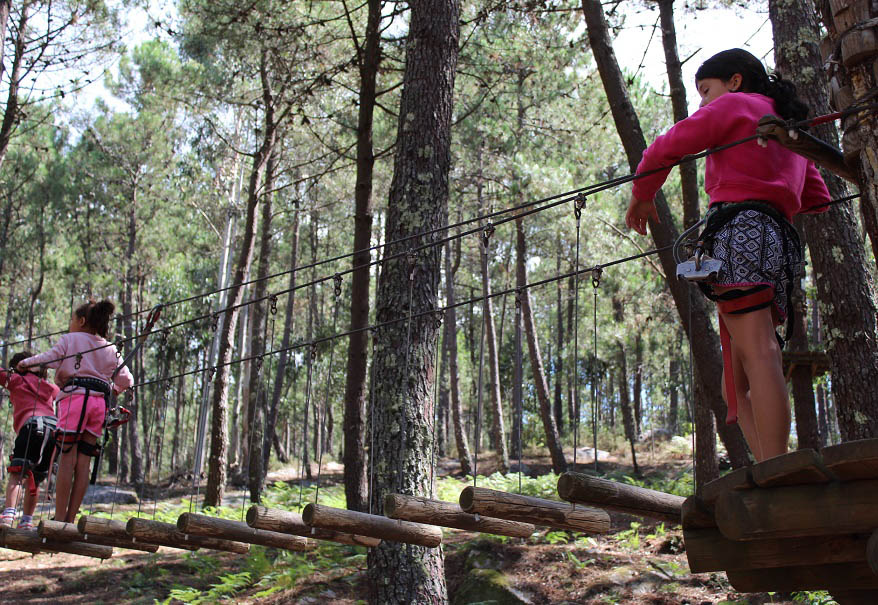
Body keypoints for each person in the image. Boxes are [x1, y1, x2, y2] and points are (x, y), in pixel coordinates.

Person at [625, 48, 830, 462]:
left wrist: (642, 196)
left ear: (734, 81)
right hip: (778, 244)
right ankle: (769, 465)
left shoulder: (736, 106)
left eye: (705, 90)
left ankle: (779, 470)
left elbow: (668, 145)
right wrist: (770, 177)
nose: (702, 102)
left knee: (759, 351)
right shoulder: (786, 131)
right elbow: (818, 198)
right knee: (733, 383)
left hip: (740, 232)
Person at [19, 300, 133, 522]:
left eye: (72, 320)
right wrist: (115, 390)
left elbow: (48, 359)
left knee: (67, 459)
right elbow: (126, 378)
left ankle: (59, 518)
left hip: (75, 401)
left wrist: (26, 364)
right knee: (83, 463)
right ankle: (70, 519)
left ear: (81, 321)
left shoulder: (71, 340)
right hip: (98, 406)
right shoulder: (109, 347)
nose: (70, 324)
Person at [0, 352, 60, 529]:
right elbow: (64, 392)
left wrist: (15, 371)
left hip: (32, 427)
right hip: (53, 431)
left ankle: (8, 516)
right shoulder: (50, 387)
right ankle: (26, 521)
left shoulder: (17, 380)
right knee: (35, 478)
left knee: (18, 474)